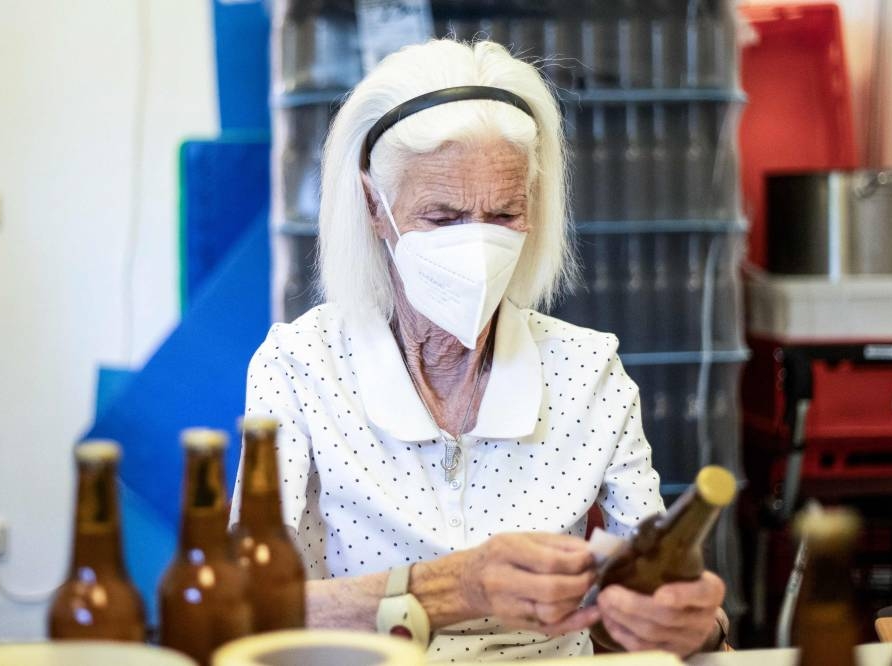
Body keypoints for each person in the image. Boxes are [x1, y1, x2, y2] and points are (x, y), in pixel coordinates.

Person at [231, 38, 726, 661]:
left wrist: (691, 626)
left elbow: (651, 594)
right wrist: (457, 586)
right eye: (442, 217)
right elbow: (248, 607)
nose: (477, 245)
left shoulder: (586, 370)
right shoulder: (301, 368)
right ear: (373, 206)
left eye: (504, 213)